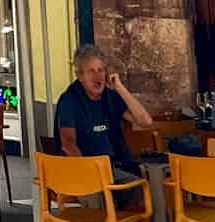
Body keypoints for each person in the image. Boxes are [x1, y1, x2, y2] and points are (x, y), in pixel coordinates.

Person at [54, 45, 154, 180]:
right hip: (88, 170)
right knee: (137, 187)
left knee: (154, 178)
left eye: (101, 70)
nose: (98, 76)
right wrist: (89, 174)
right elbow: (68, 145)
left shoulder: (110, 96)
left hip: (118, 165)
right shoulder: (69, 101)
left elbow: (145, 122)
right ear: (80, 76)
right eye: (91, 71)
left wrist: (119, 88)